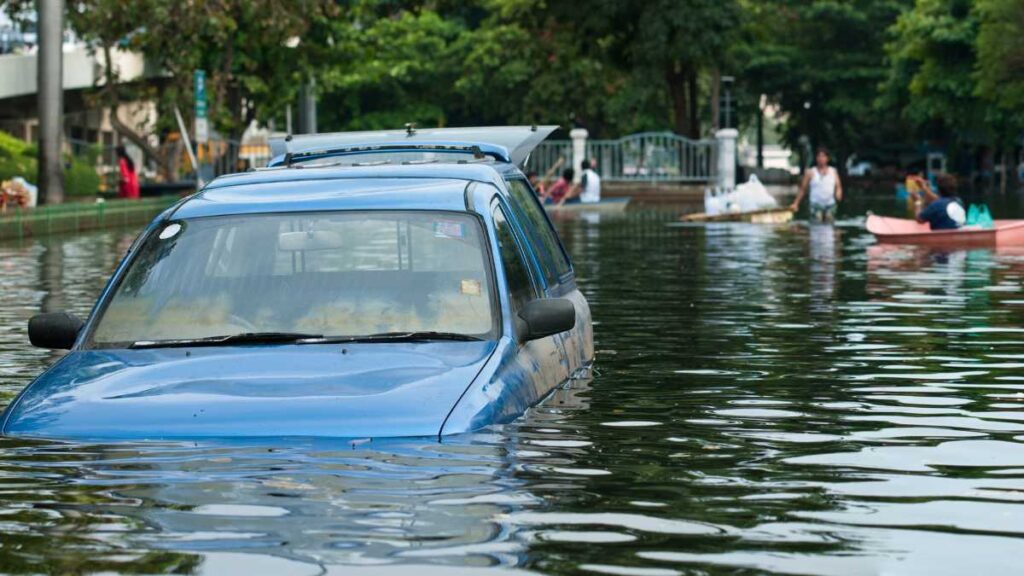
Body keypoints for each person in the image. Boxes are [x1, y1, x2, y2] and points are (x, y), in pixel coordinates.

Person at [790, 147, 843, 222]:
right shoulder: (810, 172)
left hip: (830, 204)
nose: (821, 159)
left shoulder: (833, 171)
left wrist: (838, 194)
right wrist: (796, 203)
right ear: (816, 158)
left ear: (827, 158)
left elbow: (838, 186)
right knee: (817, 222)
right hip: (816, 204)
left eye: (823, 156)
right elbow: (803, 189)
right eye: (819, 156)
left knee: (829, 222)